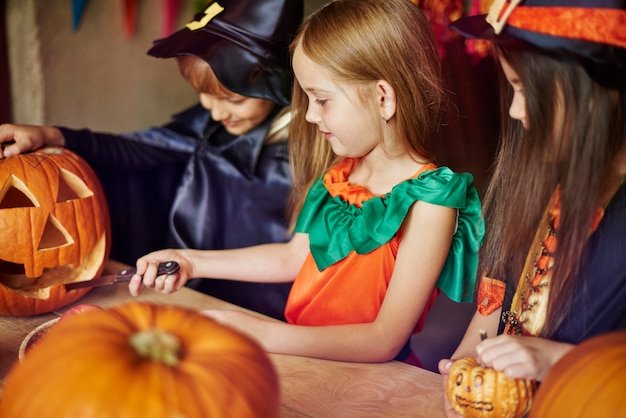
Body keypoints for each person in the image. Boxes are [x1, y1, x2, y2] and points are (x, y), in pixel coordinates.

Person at [128, 0, 484, 365]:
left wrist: (258, 331)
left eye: (322, 100)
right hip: (301, 361)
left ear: (383, 98)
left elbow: (382, 341)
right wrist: (190, 261)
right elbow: (292, 257)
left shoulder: (431, 201)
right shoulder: (340, 175)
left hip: (368, 383)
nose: (311, 115)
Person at [0, 0, 304, 320]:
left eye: (233, 99)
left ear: (280, 83)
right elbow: (134, 150)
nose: (216, 112)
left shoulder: (308, 152)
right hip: (191, 295)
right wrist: (51, 135)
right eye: (205, 95)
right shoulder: (205, 128)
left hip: (269, 311)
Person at [439, 0, 626, 413]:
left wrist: (558, 360)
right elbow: (489, 320)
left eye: (524, 90)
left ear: (593, 90)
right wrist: (465, 369)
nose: (514, 110)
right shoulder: (536, 181)